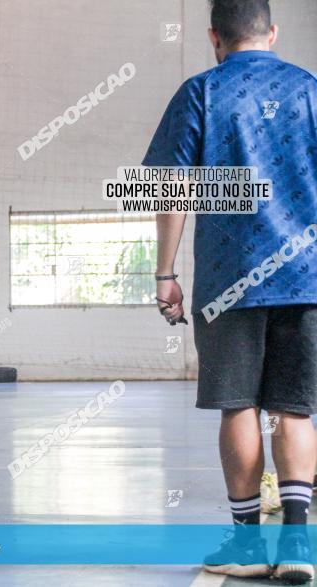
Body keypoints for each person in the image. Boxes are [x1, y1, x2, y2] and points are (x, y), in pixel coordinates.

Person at [146, 0, 317, 581]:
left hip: (228, 281)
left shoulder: (201, 91)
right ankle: (297, 544)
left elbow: (170, 191)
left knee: (238, 405)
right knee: (295, 409)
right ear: (273, 32)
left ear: (214, 36)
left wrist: (165, 273)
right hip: (306, 277)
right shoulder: (310, 89)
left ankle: (247, 547)